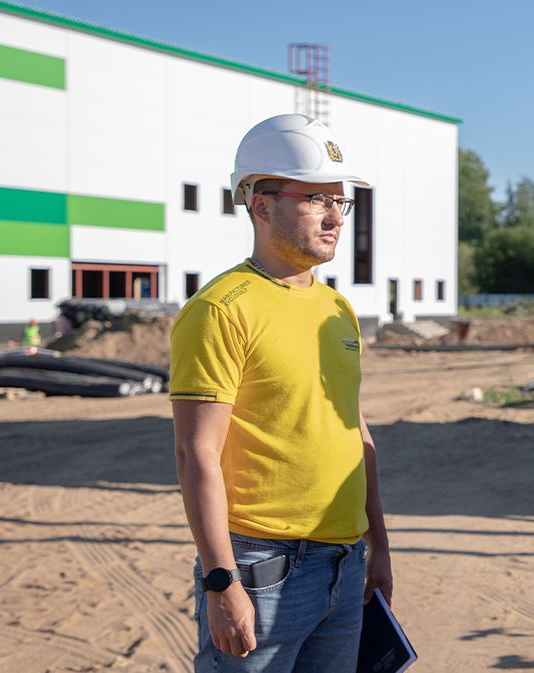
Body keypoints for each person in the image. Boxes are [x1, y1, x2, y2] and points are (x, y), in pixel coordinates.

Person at [170, 113, 390, 673]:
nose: (336, 216)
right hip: (262, 568)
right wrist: (221, 581)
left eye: (340, 202)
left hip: (345, 564)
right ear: (262, 204)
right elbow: (196, 453)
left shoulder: (336, 310)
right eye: (317, 198)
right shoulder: (221, 310)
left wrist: (378, 545)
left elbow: (353, 431)